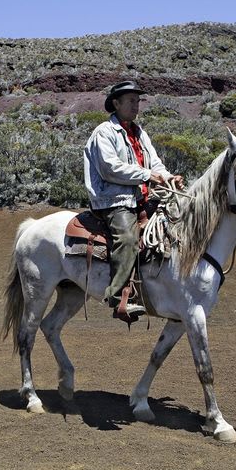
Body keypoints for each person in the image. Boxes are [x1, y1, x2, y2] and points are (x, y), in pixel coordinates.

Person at [83, 81, 182, 323]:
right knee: (127, 239)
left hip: (140, 197)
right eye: (130, 101)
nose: (136, 106)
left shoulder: (139, 133)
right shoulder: (104, 133)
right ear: (116, 103)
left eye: (138, 101)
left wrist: (168, 178)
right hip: (113, 200)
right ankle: (118, 299)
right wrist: (147, 175)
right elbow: (110, 168)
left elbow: (155, 163)